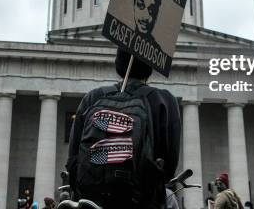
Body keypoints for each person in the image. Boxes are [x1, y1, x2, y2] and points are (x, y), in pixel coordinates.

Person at [66, 49, 181, 209]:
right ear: (150, 68)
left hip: (91, 199)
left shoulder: (93, 97)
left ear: (118, 66)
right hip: (141, 200)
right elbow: (170, 165)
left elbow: (72, 159)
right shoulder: (164, 100)